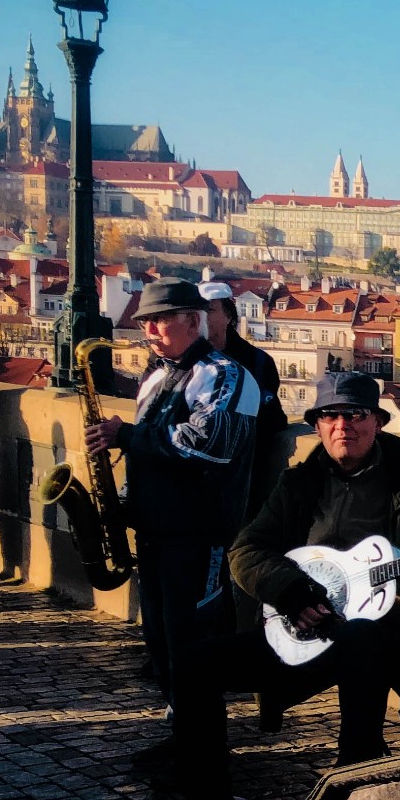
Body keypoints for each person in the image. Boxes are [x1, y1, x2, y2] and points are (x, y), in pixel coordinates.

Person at [168, 371, 400, 799]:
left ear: (377, 421)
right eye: (331, 416)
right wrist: (291, 593)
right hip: (307, 625)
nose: (343, 426)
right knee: (192, 663)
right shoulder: (298, 485)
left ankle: (355, 771)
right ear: (317, 425)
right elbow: (245, 551)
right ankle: (206, 798)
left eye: (355, 415)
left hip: (390, 641)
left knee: (363, 636)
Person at [85, 279, 258, 728]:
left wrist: (125, 435)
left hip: (197, 534)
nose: (151, 331)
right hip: (156, 528)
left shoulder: (225, 375)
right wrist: (120, 501)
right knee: (160, 640)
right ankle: (179, 735)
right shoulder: (157, 376)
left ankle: (201, 754)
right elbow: (149, 456)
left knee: (193, 643)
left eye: (161, 320)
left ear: (193, 320)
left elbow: (208, 445)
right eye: (145, 322)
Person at [198, 280, 290, 516]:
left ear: (229, 316)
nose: (201, 317)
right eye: (196, 311)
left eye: (209, 309)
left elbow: (273, 424)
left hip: (246, 481)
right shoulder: (183, 361)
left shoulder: (259, 362)